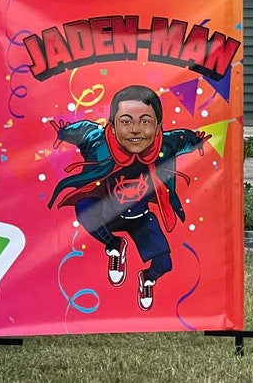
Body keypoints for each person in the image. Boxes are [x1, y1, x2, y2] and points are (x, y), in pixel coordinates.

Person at [47, 85, 209, 311]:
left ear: (158, 126)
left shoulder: (165, 144)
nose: (135, 130)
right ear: (112, 126)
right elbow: (83, 130)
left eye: (144, 121)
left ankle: (147, 279)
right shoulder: (99, 142)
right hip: (110, 210)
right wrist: (63, 133)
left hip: (141, 218)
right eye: (126, 121)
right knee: (84, 208)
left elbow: (183, 138)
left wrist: (197, 140)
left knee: (165, 263)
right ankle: (114, 245)